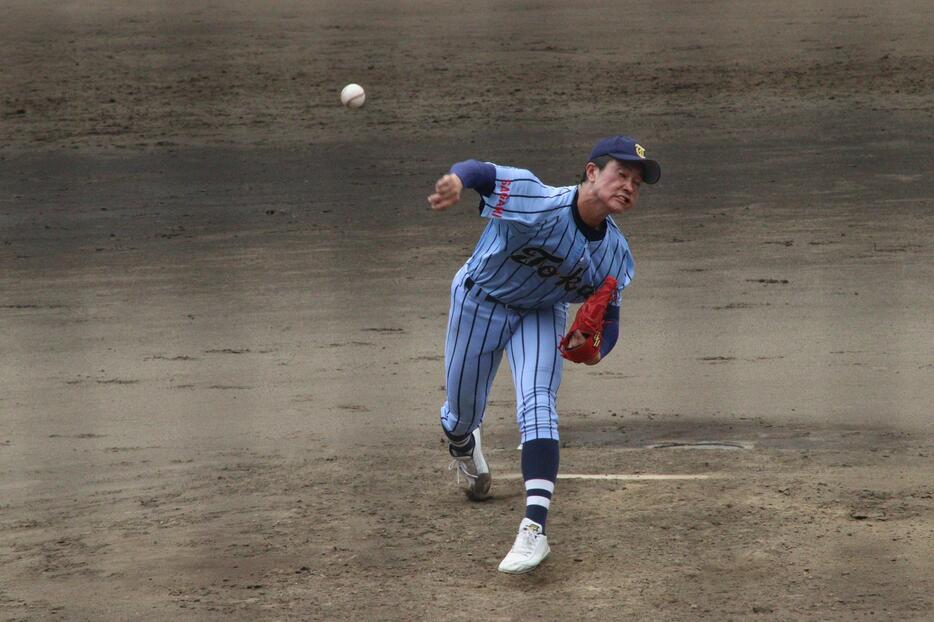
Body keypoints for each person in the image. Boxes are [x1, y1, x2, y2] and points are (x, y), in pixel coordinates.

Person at [427, 135, 661, 574]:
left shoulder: (615, 254)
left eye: (637, 182)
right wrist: (457, 181)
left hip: (540, 312)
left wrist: (594, 350)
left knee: (539, 405)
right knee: (460, 417)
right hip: (481, 301)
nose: (629, 186)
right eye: (621, 174)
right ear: (592, 172)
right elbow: (482, 171)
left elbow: (608, 321)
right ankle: (462, 443)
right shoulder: (536, 198)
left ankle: (533, 529)